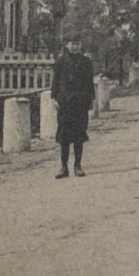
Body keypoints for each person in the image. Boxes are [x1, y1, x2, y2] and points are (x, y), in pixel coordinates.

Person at [50, 35, 96, 178]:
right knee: (64, 135)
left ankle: (77, 165)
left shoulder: (86, 61)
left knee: (79, 134)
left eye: (77, 44)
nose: (75, 47)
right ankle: (63, 167)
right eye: (72, 44)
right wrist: (54, 98)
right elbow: (56, 81)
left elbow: (89, 81)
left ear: (80, 45)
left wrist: (91, 99)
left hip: (80, 103)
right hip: (64, 102)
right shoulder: (61, 61)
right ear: (67, 45)